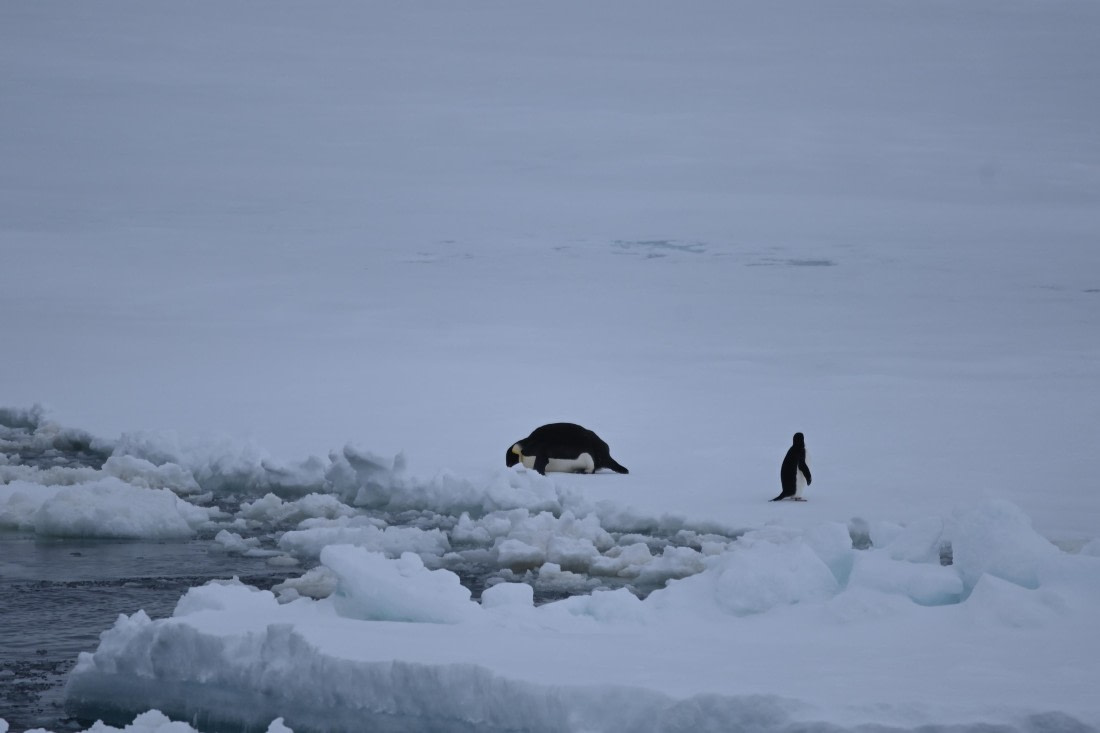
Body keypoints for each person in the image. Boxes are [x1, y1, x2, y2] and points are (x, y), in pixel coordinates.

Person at [771, 432, 811, 502]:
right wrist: (808, 477)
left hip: (788, 486)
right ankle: (796, 495)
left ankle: (790, 492)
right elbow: (802, 466)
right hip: (793, 486)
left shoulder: (791, 451)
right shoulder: (800, 451)